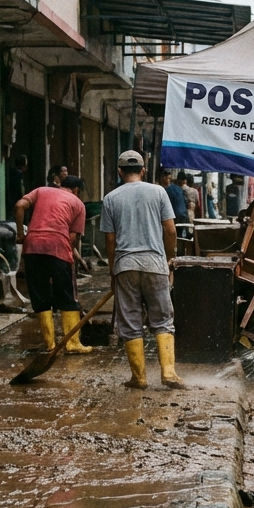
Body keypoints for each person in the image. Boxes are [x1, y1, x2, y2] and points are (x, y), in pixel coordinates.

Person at [101, 151, 183, 390]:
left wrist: (113, 270)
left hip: (125, 266)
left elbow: (110, 240)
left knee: (130, 322)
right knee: (163, 320)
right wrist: (168, 258)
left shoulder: (110, 198)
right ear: (143, 170)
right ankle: (169, 373)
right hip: (155, 264)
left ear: (120, 171)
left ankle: (139, 378)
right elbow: (170, 230)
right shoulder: (158, 192)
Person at [15, 174, 91, 355]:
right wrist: (67, 256)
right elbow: (72, 237)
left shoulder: (41, 191)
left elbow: (19, 206)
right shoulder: (78, 204)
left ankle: (50, 344)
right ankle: (72, 343)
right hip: (58, 247)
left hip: (32, 248)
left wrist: (20, 234)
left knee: (40, 296)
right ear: (76, 190)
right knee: (66, 296)